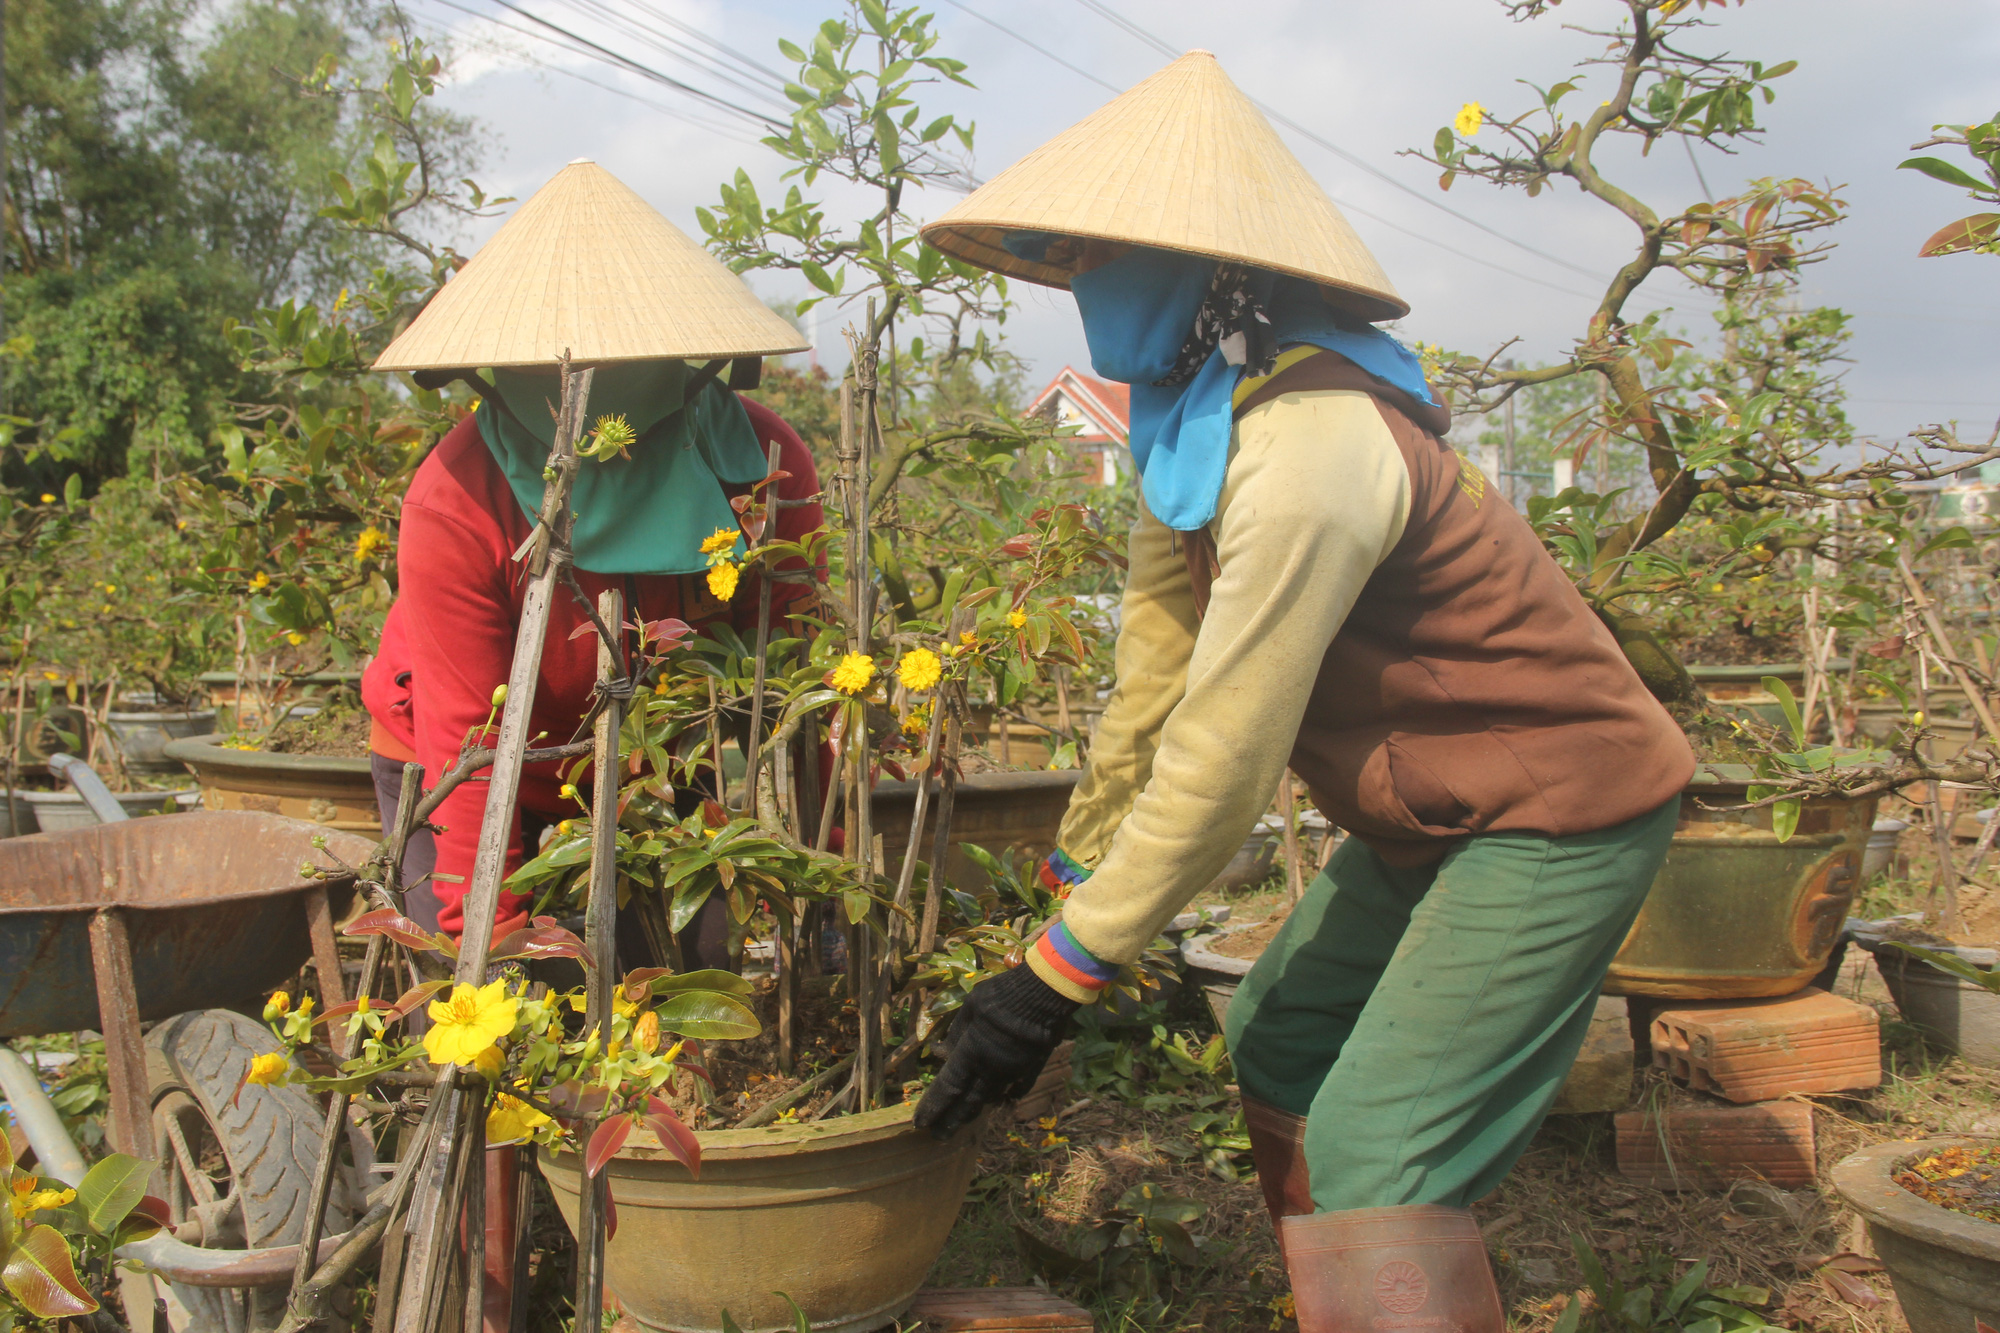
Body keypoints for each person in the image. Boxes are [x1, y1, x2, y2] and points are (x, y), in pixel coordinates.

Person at [913, 53, 1693, 1331]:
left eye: (1117, 256)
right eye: (1076, 260)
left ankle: (1381, 1276)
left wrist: (1060, 979)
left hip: (1558, 808)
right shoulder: (1193, 431)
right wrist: (1074, 887)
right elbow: (1150, 687)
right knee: (1276, 1032)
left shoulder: (1311, 445)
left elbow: (1224, 756)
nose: (1090, 287)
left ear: (1219, 269)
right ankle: (1333, 1300)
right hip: (1430, 809)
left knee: (1378, 1145)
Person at [364, 159, 822, 968]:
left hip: (654, 771)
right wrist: (493, 945)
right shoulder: (460, 497)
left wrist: (823, 876)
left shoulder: (761, 467)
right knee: (485, 1004)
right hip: (464, 770)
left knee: (691, 980)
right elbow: (468, 745)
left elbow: (800, 686)